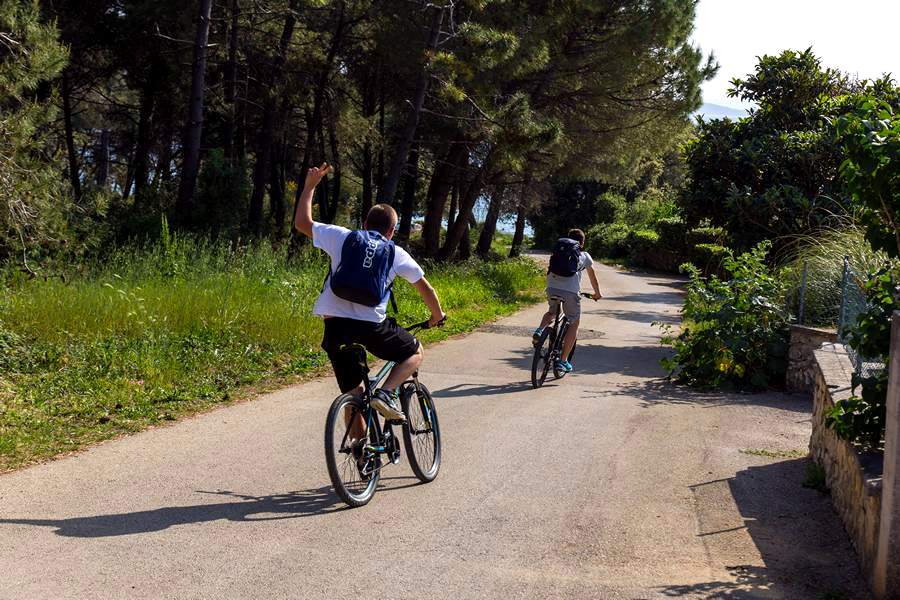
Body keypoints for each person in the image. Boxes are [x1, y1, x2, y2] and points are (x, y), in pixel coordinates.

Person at [294, 163, 446, 422]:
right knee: (414, 352)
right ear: (392, 231)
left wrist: (309, 187)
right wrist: (437, 315)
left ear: (365, 223)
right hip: (371, 328)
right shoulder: (396, 252)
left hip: (335, 327)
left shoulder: (343, 237)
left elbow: (302, 223)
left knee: (354, 396)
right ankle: (386, 394)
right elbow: (426, 288)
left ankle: (360, 453)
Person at [532, 228, 602, 373]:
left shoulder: (560, 250)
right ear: (581, 243)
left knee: (551, 312)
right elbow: (593, 278)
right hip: (570, 292)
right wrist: (597, 293)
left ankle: (540, 330)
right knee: (574, 323)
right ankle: (562, 362)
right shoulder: (585, 256)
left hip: (551, 286)